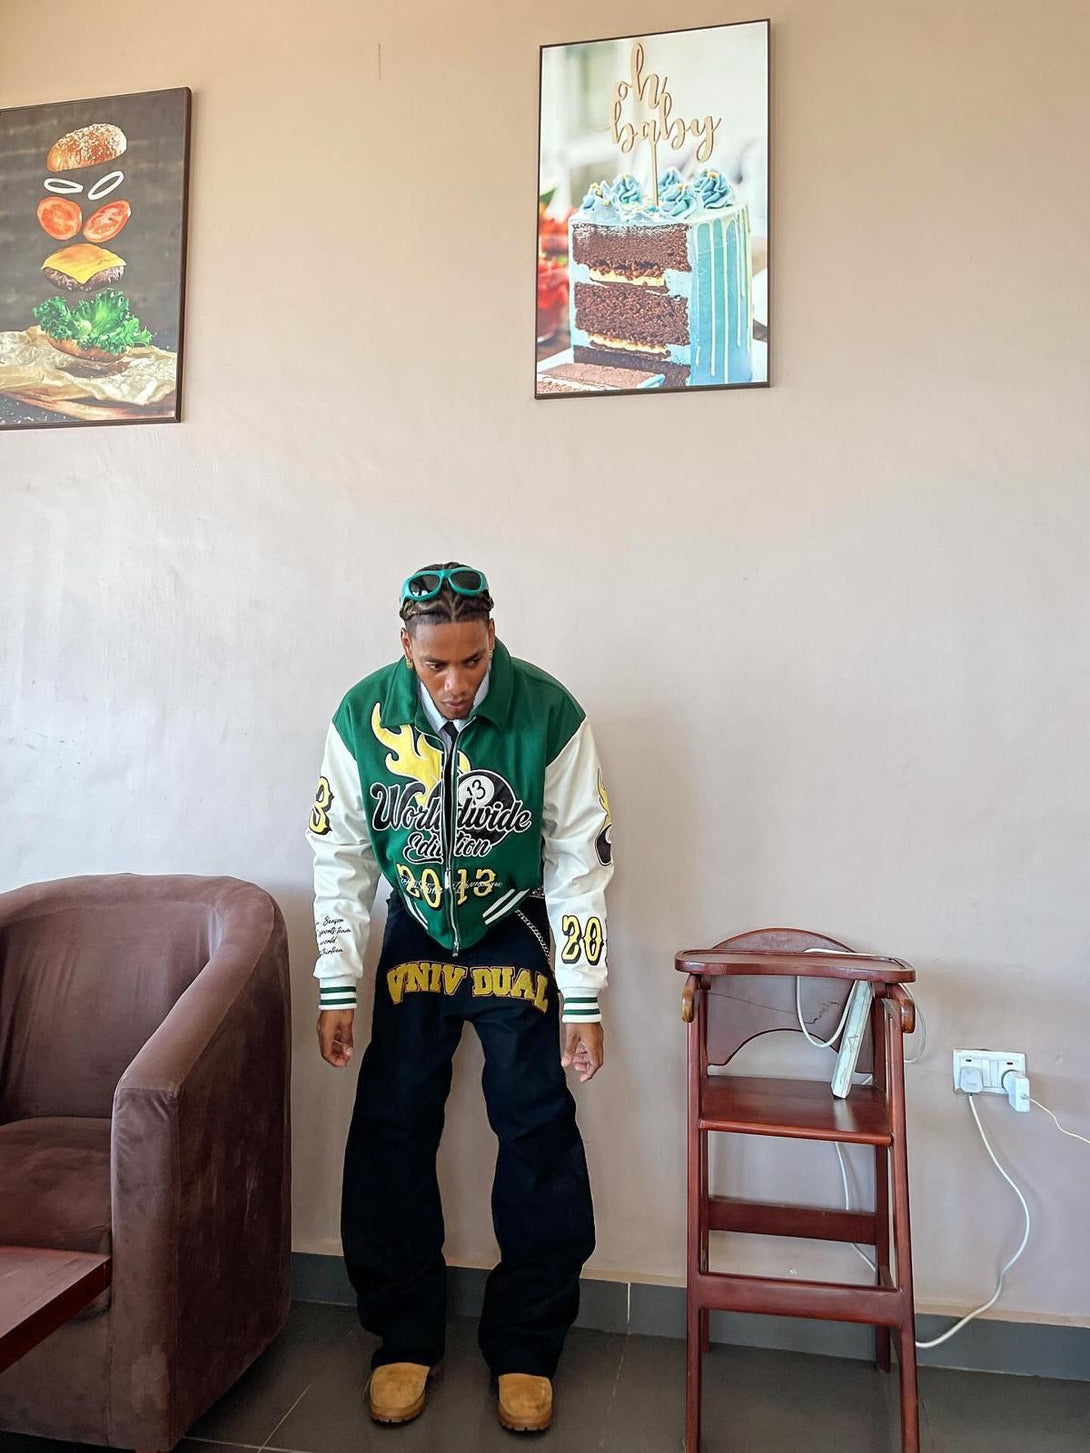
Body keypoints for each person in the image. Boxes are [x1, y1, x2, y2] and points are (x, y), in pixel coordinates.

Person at [307, 562, 614, 1433]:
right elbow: (341, 856)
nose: (455, 683)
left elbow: (578, 860)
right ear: (404, 645)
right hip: (413, 935)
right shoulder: (362, 714)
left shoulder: (549, 712)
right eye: (436, 663)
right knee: (391, 1128)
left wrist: (584, 1000)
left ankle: (526, 1346)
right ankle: (403, 1336)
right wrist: (338, 981)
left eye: (472, 661)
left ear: (492, 640)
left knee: (538, 1129)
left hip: (512, 935)